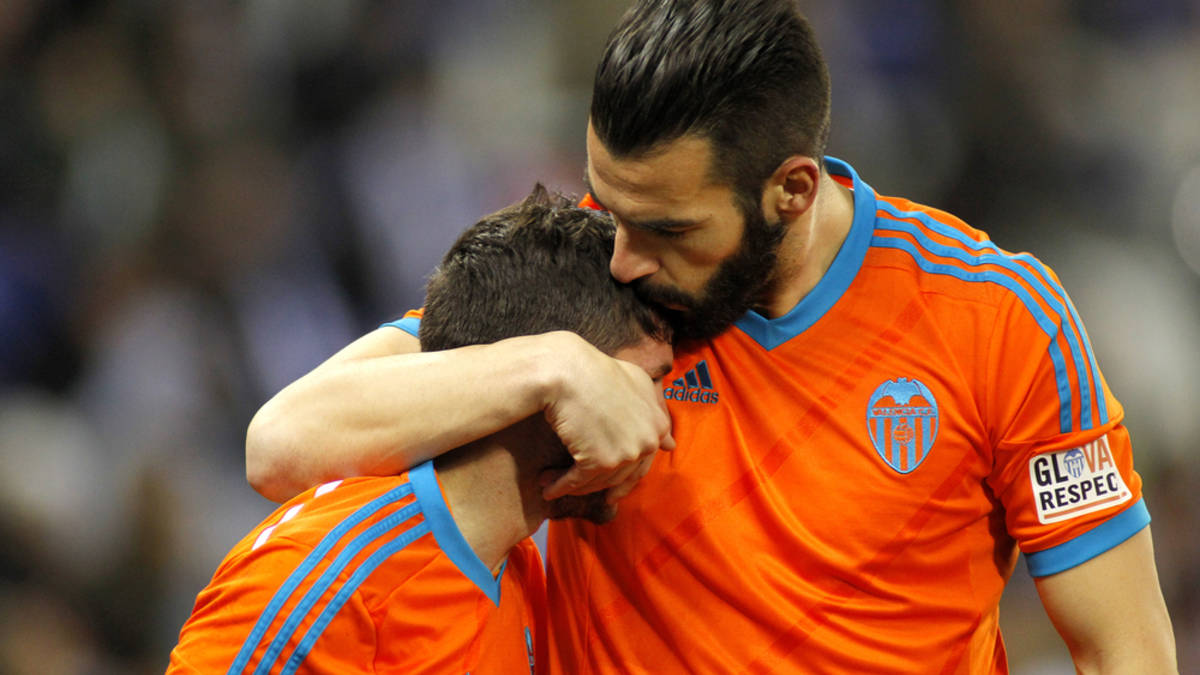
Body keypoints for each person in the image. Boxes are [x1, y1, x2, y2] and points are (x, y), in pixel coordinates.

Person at [244, 1, 1178, 672]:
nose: (623, 256)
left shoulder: (999, 319)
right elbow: (282, 440)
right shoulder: (591, 286)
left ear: (791, 190)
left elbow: (1125, 647)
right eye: (608, 204)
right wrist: (548, 363)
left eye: (667, 228)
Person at [166, 186, 673, 674]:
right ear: (548, 391)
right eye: (647, 382)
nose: (663, 426)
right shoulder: (332, 580)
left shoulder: (517, 570)